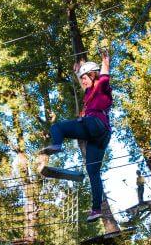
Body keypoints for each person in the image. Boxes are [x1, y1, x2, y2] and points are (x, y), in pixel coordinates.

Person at [39, 50, 112, 222]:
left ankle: (57, 145)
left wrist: (105, 62)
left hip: (96, 125)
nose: (83, 81)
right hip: (100, 136)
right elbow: (85, 84)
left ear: (93, 75)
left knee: (57, 127)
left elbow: (104, 78)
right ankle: (96, 210)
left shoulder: (101, 87)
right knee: (93, 171)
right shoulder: (89, 94)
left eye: (85, 78)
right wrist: (77, 72)